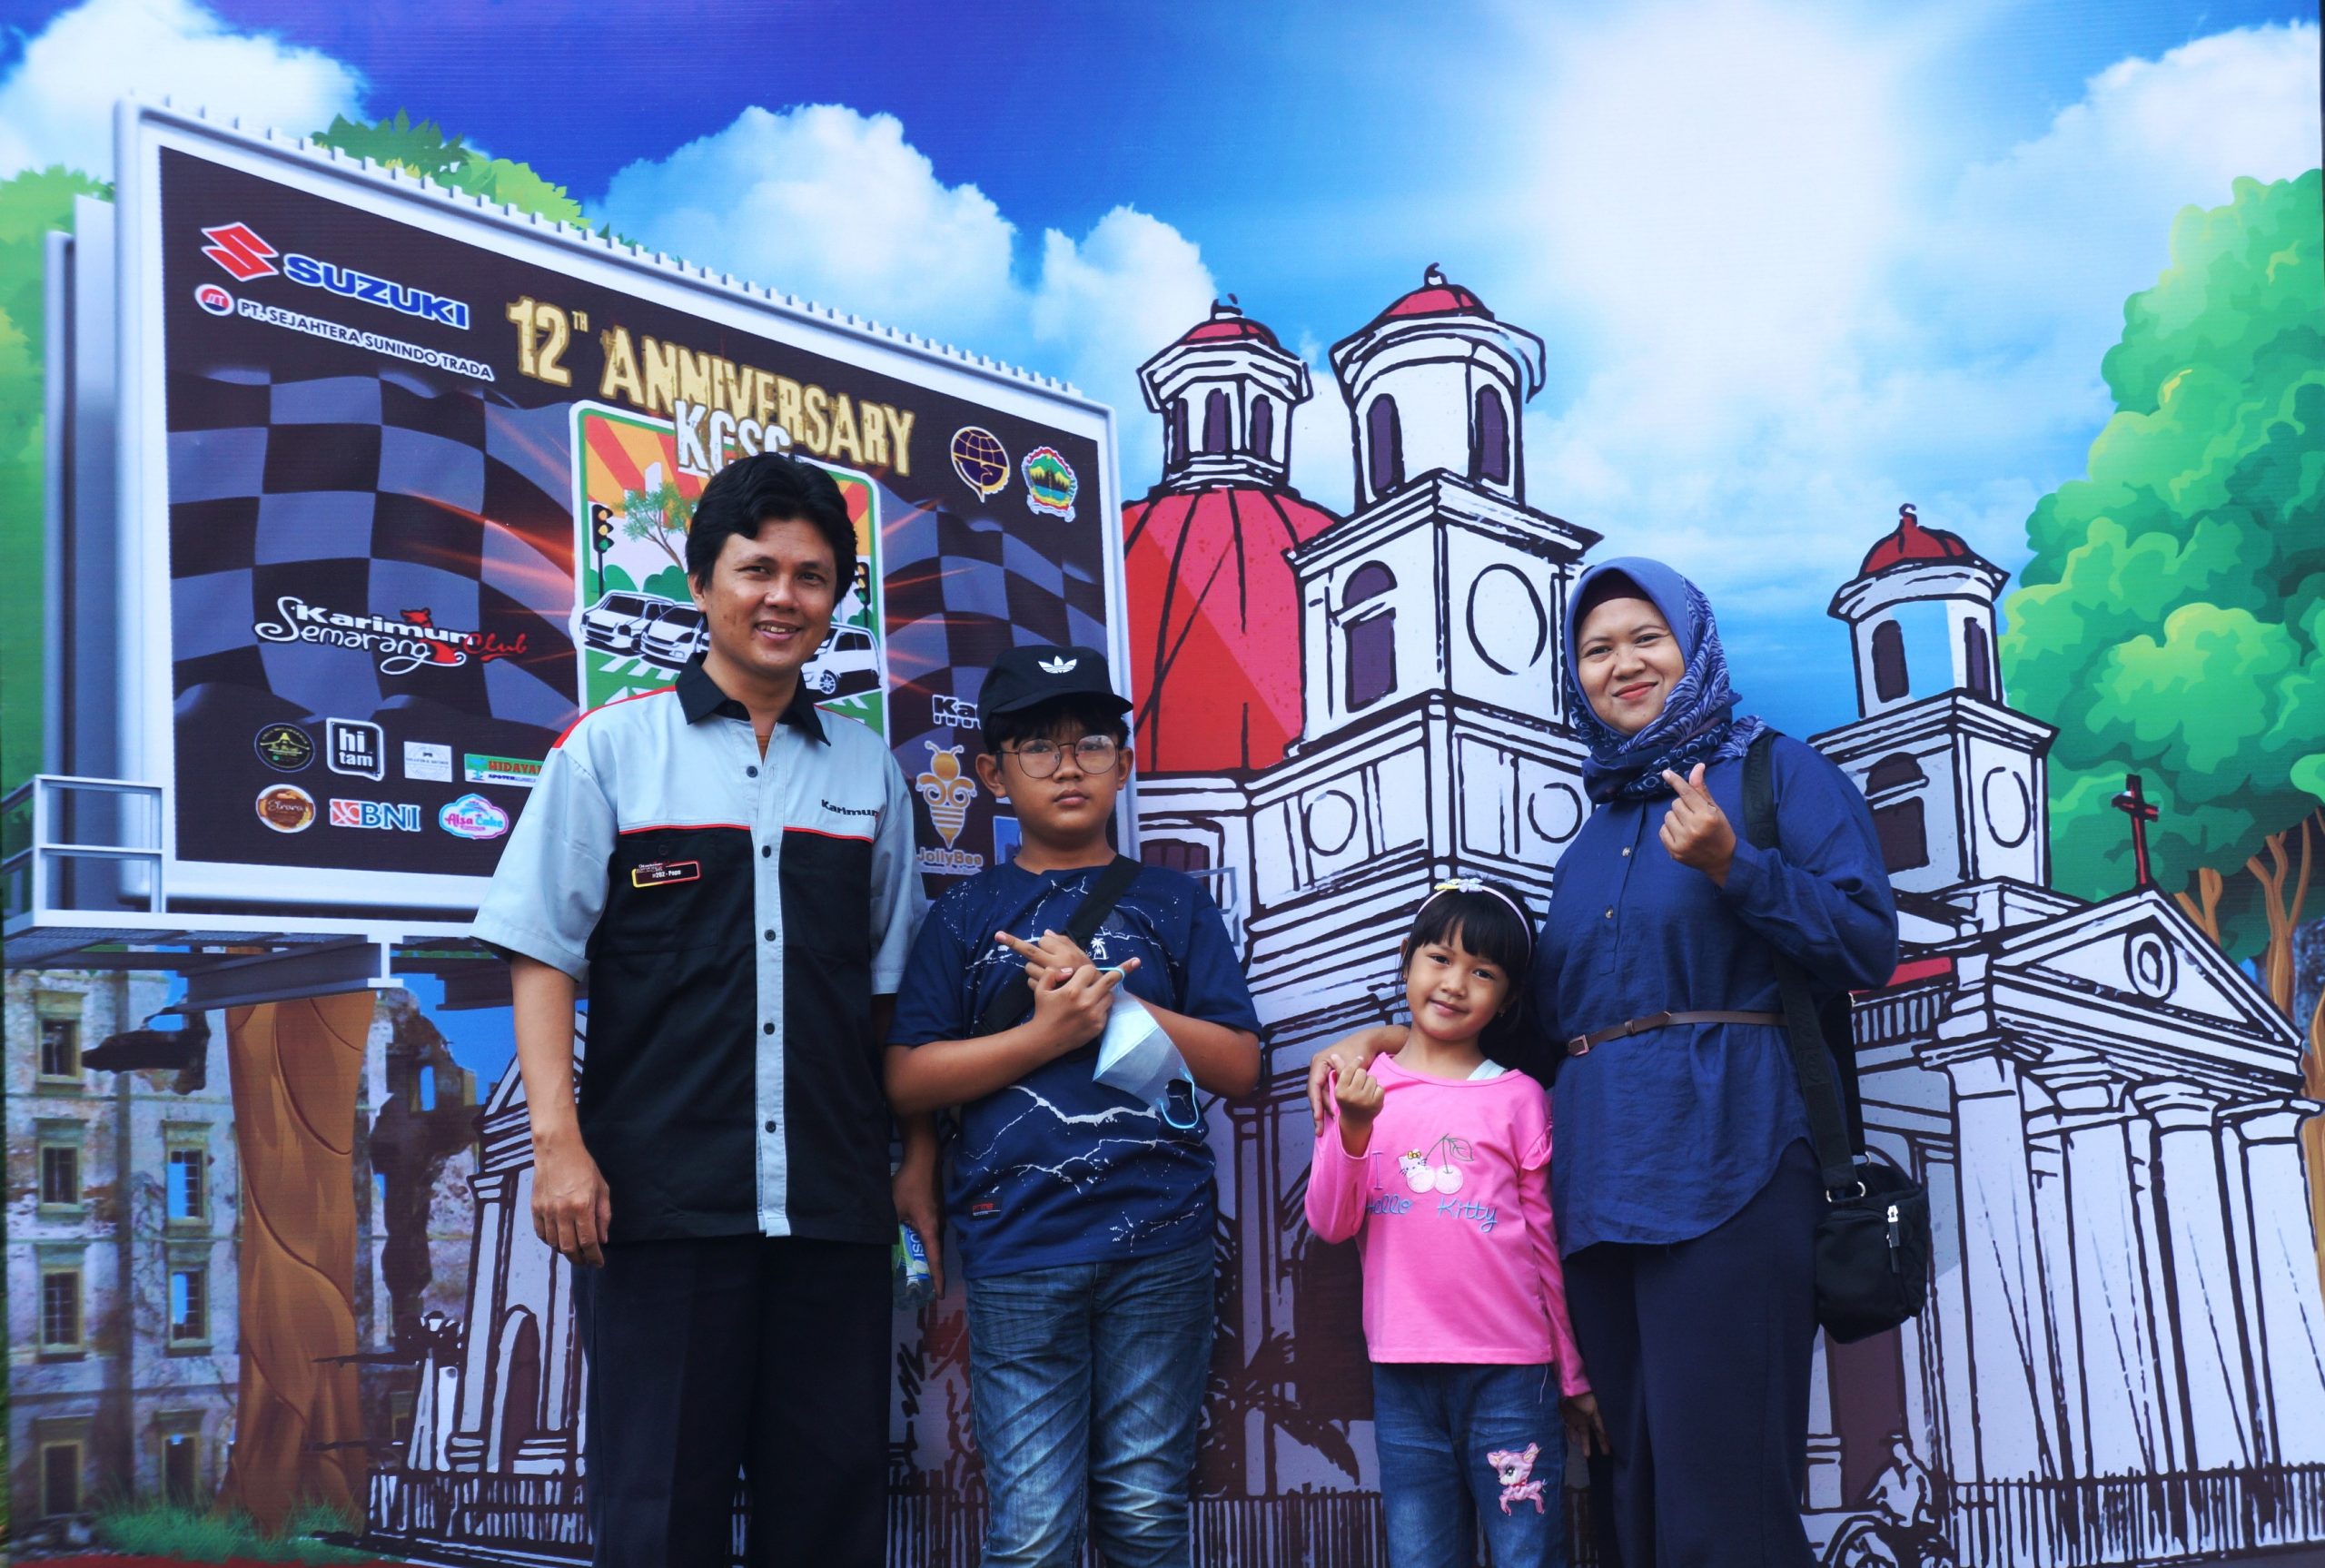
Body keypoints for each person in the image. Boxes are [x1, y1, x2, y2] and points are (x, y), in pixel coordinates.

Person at [1311, 557, 1897, 1566]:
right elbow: (1546, 1026)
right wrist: (1390, 1042)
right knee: (1633, 1490)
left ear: (1693, 647)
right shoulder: (1589, 840)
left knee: (1724, 1492)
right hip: (1597, 1191)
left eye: (1645, 638)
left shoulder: (1778, 774)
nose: (1622, 664)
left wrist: (1733, 864)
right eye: (1595, 650)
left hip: (1735, 1167)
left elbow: (1866, 944)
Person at [473, 452, 939, 1567]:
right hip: (659, 1208)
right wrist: (557, 1145)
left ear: (838, 599)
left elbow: (895, 993)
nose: (783, 596)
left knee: (827, 1524)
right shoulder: (611, 748)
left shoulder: (869, 772)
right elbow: (541, 949)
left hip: (830, 1212)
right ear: (701, 581)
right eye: (757, 569)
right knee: (658, 1519)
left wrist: (914, 1157)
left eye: (812, 576)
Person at [885, 644, 1261, 1568]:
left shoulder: (1175, 902)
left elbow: (1240, 1064)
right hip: (1016, 1240)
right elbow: (908, 1077)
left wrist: (1113, 999)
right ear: (992, 773)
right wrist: (1049, 1033)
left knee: (1144, 1511)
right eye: (1037, 746)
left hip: (1163, 1242)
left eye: (1090, 743)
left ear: (1123, 764)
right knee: (1033, 1530)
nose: (1066, 765)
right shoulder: (962, 914)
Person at [1303, 878, 1598, 1568]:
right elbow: (1331, 1222)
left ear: (1509, 998)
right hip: (1403, 1375)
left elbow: (1543, 1247)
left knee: (1527, 1554)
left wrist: (1572, 1376)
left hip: (1512, 1377)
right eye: (1439, 958)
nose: (1455, 983)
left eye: (1483, 972)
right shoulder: (1358, 1085)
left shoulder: (1520, 1099)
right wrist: (1354, 1128)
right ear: (1407, 960)